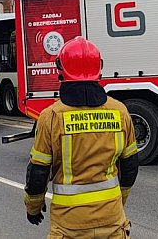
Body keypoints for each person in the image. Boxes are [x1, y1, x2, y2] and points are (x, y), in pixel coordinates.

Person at [24, 36, 139, 238]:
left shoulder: (51, 117)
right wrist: (119, 201)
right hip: (112, 220)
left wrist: (33, 207)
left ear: (61, 70)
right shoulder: (120, 111)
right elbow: (130, 167)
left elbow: (38, 172)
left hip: (69, 225)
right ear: (99, 69)